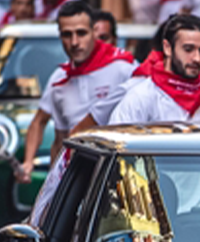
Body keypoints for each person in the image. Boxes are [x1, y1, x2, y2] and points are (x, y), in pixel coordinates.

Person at [18, 1, 134, 183]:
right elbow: (59, 139)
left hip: (119, 174)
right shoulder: (59, 79)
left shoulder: (124, 69)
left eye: (81, 33)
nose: (74, 42)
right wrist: (48, 180)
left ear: (93, 33)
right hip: (78, 177)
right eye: (67, 35)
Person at [107, 13, 200, 123]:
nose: (197, 59)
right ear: (167, 48)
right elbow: (117, 140)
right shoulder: (141, 97)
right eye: (188, 49)